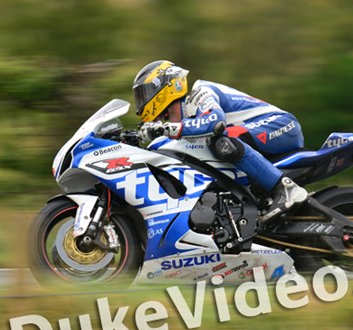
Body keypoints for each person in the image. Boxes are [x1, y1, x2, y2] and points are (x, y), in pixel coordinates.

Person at [132, 60, 308, 224]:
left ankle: (286, 189)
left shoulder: (200, 93)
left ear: (164, 87)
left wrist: (169, 129)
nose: (142, 101)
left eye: (144, 94)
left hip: (281, 124)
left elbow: (215, 121)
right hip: (261, 136)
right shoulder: (184, 117)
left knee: (222, 139)